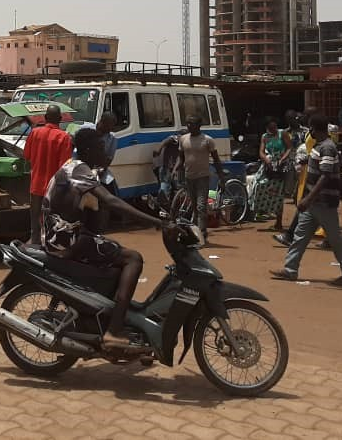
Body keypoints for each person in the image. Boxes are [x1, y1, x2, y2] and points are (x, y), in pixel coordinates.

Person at [43, 127, 167, 350]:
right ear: (89, 150)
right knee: (133, 258)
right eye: (102, 148)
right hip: (67, 241)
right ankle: (114, 330)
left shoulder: (79, 169)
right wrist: (156, 222)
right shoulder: (79, 170)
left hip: (65, 236)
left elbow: (96, 217)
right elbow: (112, 202)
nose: (107, 153)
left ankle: (110, 317)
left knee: (113, 251)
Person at [270, 113, 342, 286]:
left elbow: (325, 176)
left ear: (314, 128)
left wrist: (308, 199)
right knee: (300, 236)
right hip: (314, 203)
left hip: (323, 202)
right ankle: (290, 269)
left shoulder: (327, 147)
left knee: (335, 239)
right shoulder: (320, 146)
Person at [22, 104, 74, 246]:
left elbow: (26, 155)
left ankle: (35, 241)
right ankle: (50, 244)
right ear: (60, 119)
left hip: (36, 184)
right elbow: (65, 166)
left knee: (35, 217)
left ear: (45, 118)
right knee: (52, 219)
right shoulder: (64, 137)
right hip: (54, 187)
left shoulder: (35, 133)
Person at [174, 116, 224, 242]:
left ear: (199, 125)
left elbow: (216, 159)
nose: (189, 126)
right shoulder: (183, 139)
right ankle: (195, 234)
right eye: (188, 124)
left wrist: (221, 176)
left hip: (203, 177)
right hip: (189, 176)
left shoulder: (208, 140)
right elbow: (181, 158)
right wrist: (176, 169)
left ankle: (202, 234)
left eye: (192, 123)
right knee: (195, 208)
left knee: (201, 207)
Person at [253, 118, 292, 230]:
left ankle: (278, 222)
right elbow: (261, 151)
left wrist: (282, 159)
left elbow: (289, 148)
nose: (273, 129)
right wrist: (266, 159)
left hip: (281, 166)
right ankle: (262, 211)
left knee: (279, 193)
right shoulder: (264, 137)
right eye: (271, 128)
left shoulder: (282, 133)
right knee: (258, 185)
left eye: (275, 127)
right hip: (268, 166)